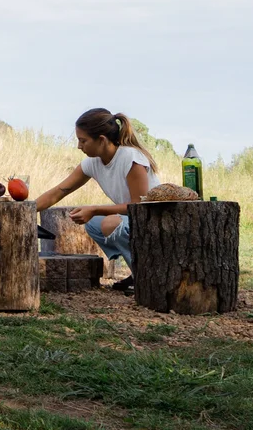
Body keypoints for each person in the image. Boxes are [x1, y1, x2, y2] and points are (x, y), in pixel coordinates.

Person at [33, 108, 160, 292]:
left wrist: (95, 209)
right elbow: (58, 192)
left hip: (156, 221)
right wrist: (26, 209)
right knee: (93, 223)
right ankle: (138, 272)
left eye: (83, 140)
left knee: (110, 223)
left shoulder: (130, 158)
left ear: (101, 140)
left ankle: (147, 278)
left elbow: (139, 206)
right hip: (135, 219)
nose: (79, 146)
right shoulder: (92, 163)